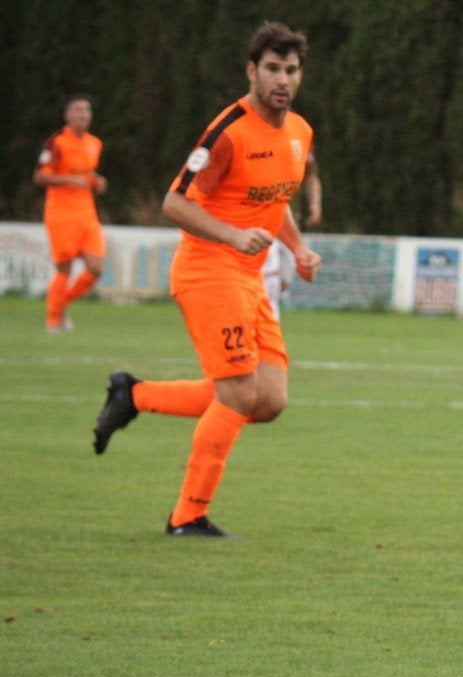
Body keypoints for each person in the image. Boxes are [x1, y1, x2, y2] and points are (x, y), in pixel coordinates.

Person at [90, 22, 320, 537]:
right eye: (272, 69)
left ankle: (134, 395)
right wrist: (233, 236)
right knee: (239, 395)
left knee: (269, 400)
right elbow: (176, 203)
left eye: (291, 70)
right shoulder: (228, 133)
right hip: (209, 270)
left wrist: (298, 247)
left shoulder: (300, 132)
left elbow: (274, 200)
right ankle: (187, 515)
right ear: (251, 71)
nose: (282, 80)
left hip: (249, 275)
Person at [33, 94, 106, 333]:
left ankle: (60, 304)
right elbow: (40, 176)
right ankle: (54, 320)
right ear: (67, 115)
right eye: (77, 110)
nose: (83, 114)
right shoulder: (56, 143)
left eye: (86, 110)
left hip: (87, 214)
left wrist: (95, 181)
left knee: (95, 268)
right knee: (64, 269)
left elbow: (86, 175)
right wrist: (68, 179)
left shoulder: (95, 143)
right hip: (61, 214)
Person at [262, 151, 321, 314]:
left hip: (288, 223)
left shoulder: (300, 136)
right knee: (269, 281)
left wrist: (315, 204)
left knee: (283, 284)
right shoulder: (253, 142)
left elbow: (311, 175)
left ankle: (267, 321)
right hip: (262, 224)